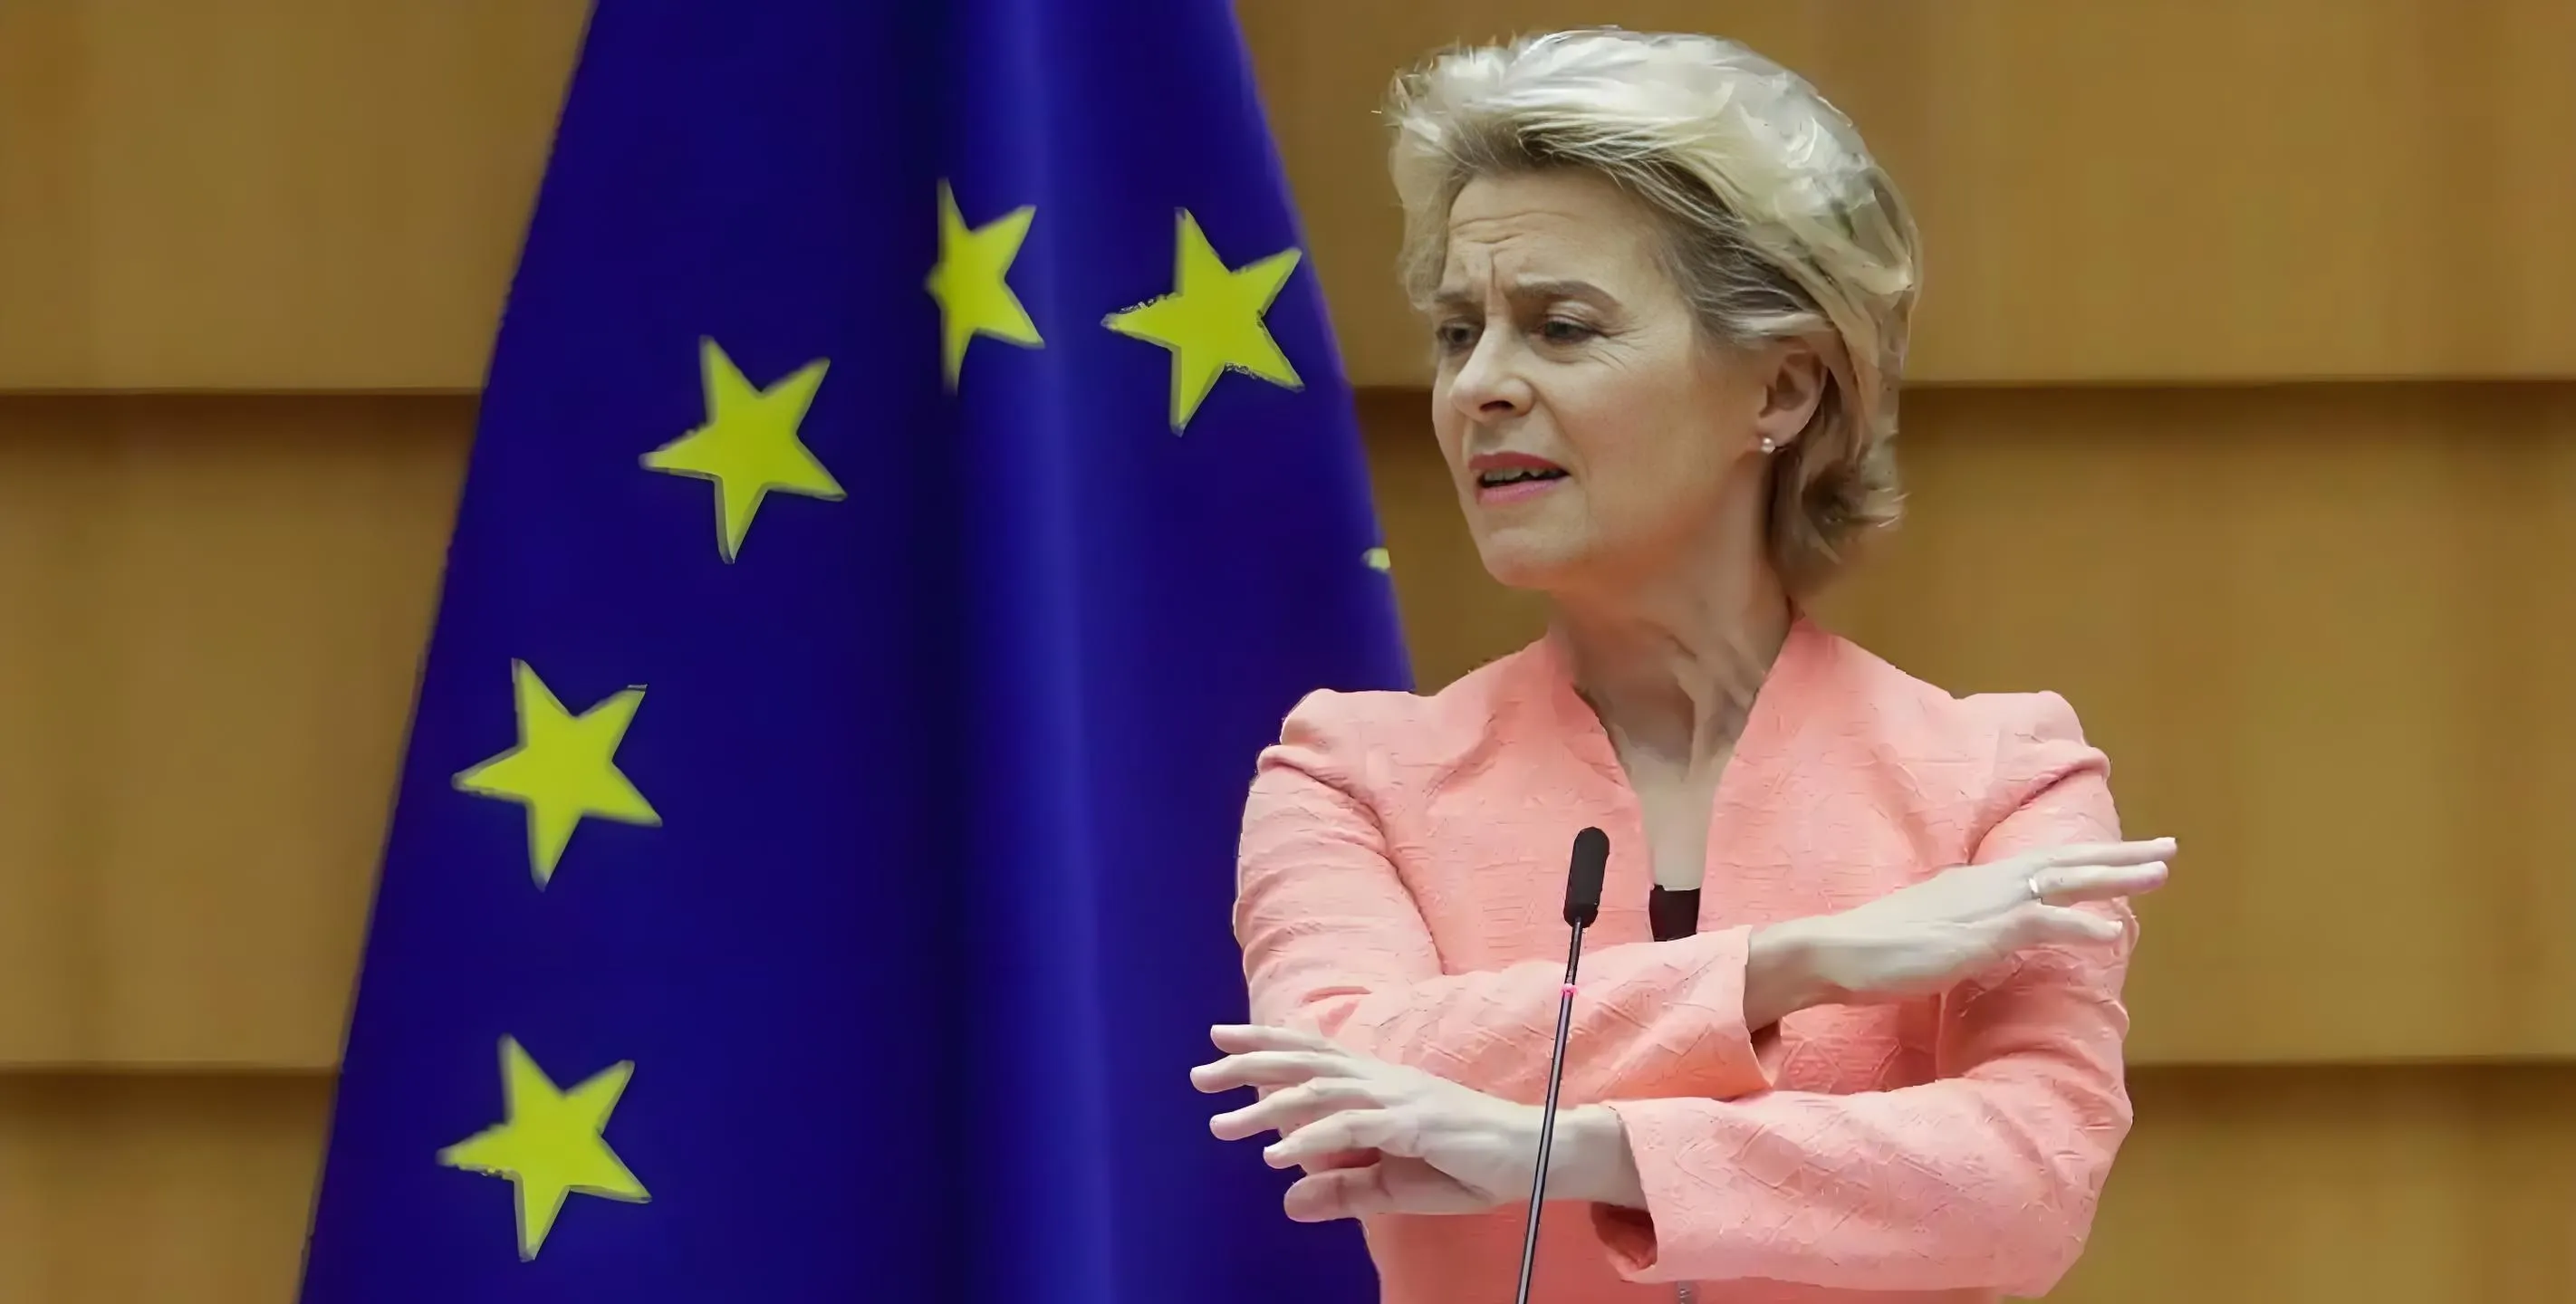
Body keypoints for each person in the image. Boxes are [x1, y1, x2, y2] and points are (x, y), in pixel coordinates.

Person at [1188, 27, 2177, 1304]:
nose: (1480, 385)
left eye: (1560, 328)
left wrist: (1558, 1151)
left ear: (1782, 391)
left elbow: (2026, 1180)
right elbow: (1339, 1071)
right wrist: (1793, 961)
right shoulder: (1349, 775)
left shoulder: (2003, 777)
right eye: (1457, 332)